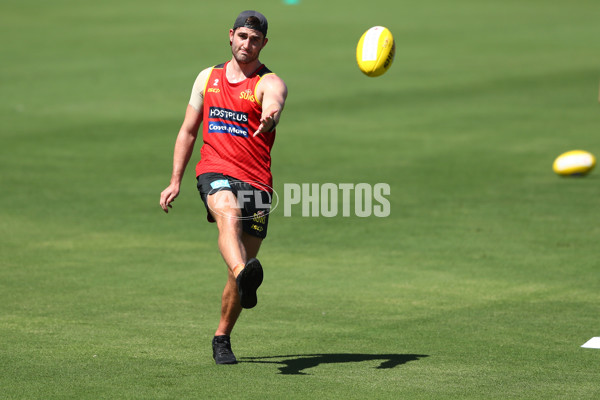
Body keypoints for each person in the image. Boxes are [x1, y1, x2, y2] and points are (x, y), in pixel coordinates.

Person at [159, 10, 288, 365]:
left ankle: (222, 336)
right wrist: (175, 181)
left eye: (255, 39)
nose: (248, 44)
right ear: (231, 35)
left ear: (264, 43)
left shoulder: (269, 81)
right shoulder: (207, 78)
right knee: (227, 212)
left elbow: (275, 98)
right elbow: (188, 131)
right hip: (214, 169)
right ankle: (243, 272)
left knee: (242, 267)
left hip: (257, 182)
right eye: (242, 36)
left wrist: (270, 114)